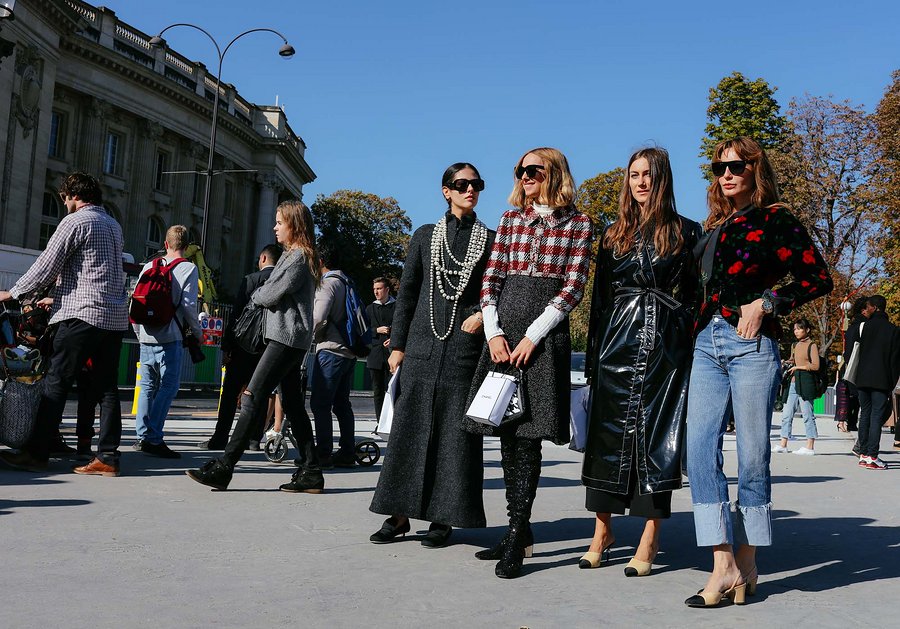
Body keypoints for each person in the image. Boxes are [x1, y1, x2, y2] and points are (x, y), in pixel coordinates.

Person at [684, 137, 832, 608]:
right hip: (705, 343)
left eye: (736, 166)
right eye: (719, 167)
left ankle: (746, 560)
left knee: (752, 455)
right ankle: (722, 560)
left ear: (755, 170)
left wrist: (768, 302)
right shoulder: (714, 227)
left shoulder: (776, 219)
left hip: (751, 345)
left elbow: (817, 278)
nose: (726, 174)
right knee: (698, 450)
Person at [464, 147, 592, 579]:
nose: (525, 176)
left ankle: (517, 532)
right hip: (502, 335)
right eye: (520, 170)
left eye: (534, 169)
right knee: (504, 429)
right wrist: (494, 332)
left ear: (554, 172)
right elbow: (491, 279)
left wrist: (533, 336)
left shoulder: (579, 223)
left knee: (530, 435)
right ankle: (517, 530)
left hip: (543, 336)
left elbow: (573, 288)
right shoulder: (510, 221)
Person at [580, 147, 701, 575]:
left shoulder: (686, 231)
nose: (641, 182)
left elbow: (696, 296)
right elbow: (598, 303)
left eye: (648, 174)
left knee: (656, 441)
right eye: (634, 175)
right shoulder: (612, 234)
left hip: (666, 349)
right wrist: (593, 362)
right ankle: (602, 531)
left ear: (662, 178)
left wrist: (682, 337)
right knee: (607, 440)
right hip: (617, 344)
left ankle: (650, 537)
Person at [369, 163, 494, 548]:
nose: (470, 189)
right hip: (421, 348)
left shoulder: (490, 240)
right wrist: (400, 345)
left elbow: (494, 292)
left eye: (476, 184)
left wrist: (478, 316)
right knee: (409, 432)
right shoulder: (425, 236)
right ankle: (399, 515)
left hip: (463, 353)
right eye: (462, 184)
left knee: (455, 437)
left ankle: (444, 517)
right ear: (446, 191)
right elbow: (407, 294)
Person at [185, 200, 323, 492]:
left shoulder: (297, 257)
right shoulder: (294, 255)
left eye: (279, 223)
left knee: (251, 397)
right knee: (294, 406)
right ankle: (311, 470)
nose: (274, 228)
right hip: (288, 337)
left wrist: (257, 294)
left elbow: (270, 293)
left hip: (286, 338)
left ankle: (225, 467)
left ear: (294, 225)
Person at [0, 172, 129, 476]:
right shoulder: (113, 224)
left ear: (73, 195)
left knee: (56, 382)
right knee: (107, 388)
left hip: (81, 315)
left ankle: (37, 453)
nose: (65, 205)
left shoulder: (75, 221)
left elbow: (48, 263)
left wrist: (14, 293)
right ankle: (108, 456)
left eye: (65, 199)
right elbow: (95, 271)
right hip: (113, 318)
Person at [197, 244, 282, 450]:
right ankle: (253, 439)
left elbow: (236, 316)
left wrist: (228, 347)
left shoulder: (251, 280)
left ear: (262, 258)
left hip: (244, 346)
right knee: (259, 393)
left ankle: (220, 437)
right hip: (268, 347)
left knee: (230, 394)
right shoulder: (281, 283)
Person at [132, 225, 203, 459]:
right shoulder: (188, 268)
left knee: (147, 386)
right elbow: (189, 307)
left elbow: (135, 302)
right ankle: (154, 437)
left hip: (146, 335)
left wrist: (139, 332)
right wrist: (197, 333)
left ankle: (142, 436)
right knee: (169, 386)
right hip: (170, 335)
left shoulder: (149, 266)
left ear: (165, 244)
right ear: (187, 247)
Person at [309, 242, 359, 468]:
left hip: (330, 350)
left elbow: (318, 316)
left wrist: (314, 335)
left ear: (320, 261)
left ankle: (324, 452)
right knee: (341, 404)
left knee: (320, 403)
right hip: (349, 351)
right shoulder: (348, 282)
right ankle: (347, 451)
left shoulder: (327, 284)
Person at [852, 295, 900, 470]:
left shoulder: (864, 327)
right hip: (881, 380)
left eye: (868, 306)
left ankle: (863, 453)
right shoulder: (893, 330)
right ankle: (873, 455)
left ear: (875, 307)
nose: (867, 309)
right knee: (876, 417)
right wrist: (892, 383)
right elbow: (895, 361)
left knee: (865, 414)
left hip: (862, 378)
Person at [774, 319, 820, 455]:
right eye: (795, 329)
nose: (796, 331)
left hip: (806, 383)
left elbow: (815, 365)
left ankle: (810, 446)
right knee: (786, 414)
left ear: (807, 330)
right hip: (793, 383)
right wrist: (787, 362)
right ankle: (783, 444)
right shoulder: (795, 345)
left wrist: (799, 367)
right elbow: (794, 360)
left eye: (799, 329)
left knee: (807, 414)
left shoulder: (812, 345)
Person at [365, 277, 396, 420]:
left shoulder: (397, 307)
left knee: (393, 390)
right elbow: (364, 331)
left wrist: (394, 339)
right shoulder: (370, 308)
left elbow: (405, 326)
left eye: (379, 289)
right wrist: (376, 330)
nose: (376, 292)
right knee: (377, 392)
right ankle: (380, 422)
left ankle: (392, 422)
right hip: (375, 355)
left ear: (387, 290)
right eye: (374, 289)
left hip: (393, 355)